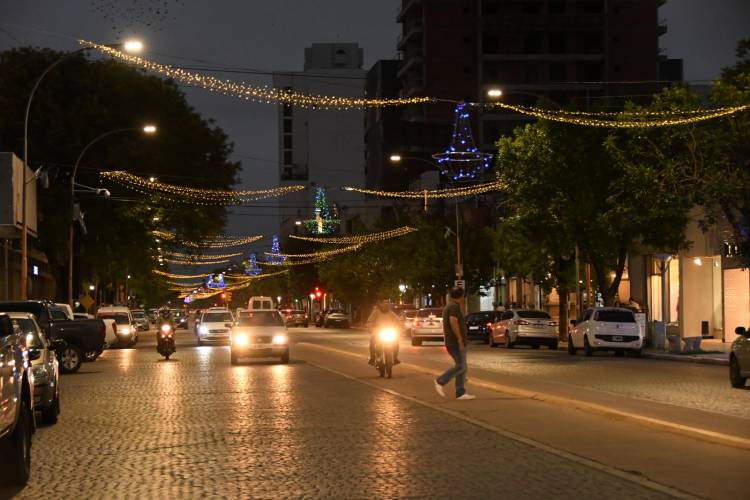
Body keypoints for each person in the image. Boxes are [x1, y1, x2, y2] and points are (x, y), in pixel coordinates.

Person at [435, 287, 475, 400]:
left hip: (454, 341)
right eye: (463, 295)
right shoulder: (453, 307)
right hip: (455, 342)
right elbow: (453, 322)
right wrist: (460, 339)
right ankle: (441, 381)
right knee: (461, 366)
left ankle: (460, 392)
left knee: (462, 366)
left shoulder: (450, 305)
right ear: (461, 296)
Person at [366, 299, 401, 365]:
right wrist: (370, 329)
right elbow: (370, 321)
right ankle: (372, 358)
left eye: (387, 302)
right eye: (384, 302)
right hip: (377, 333)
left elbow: (398, 321)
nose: (386, 304)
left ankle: (395, 358)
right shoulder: (376, 312)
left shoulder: (391, 313)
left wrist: (400, 328)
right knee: (372, 342)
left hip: (389, 332)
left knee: (396, 342)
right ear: (381, 304)